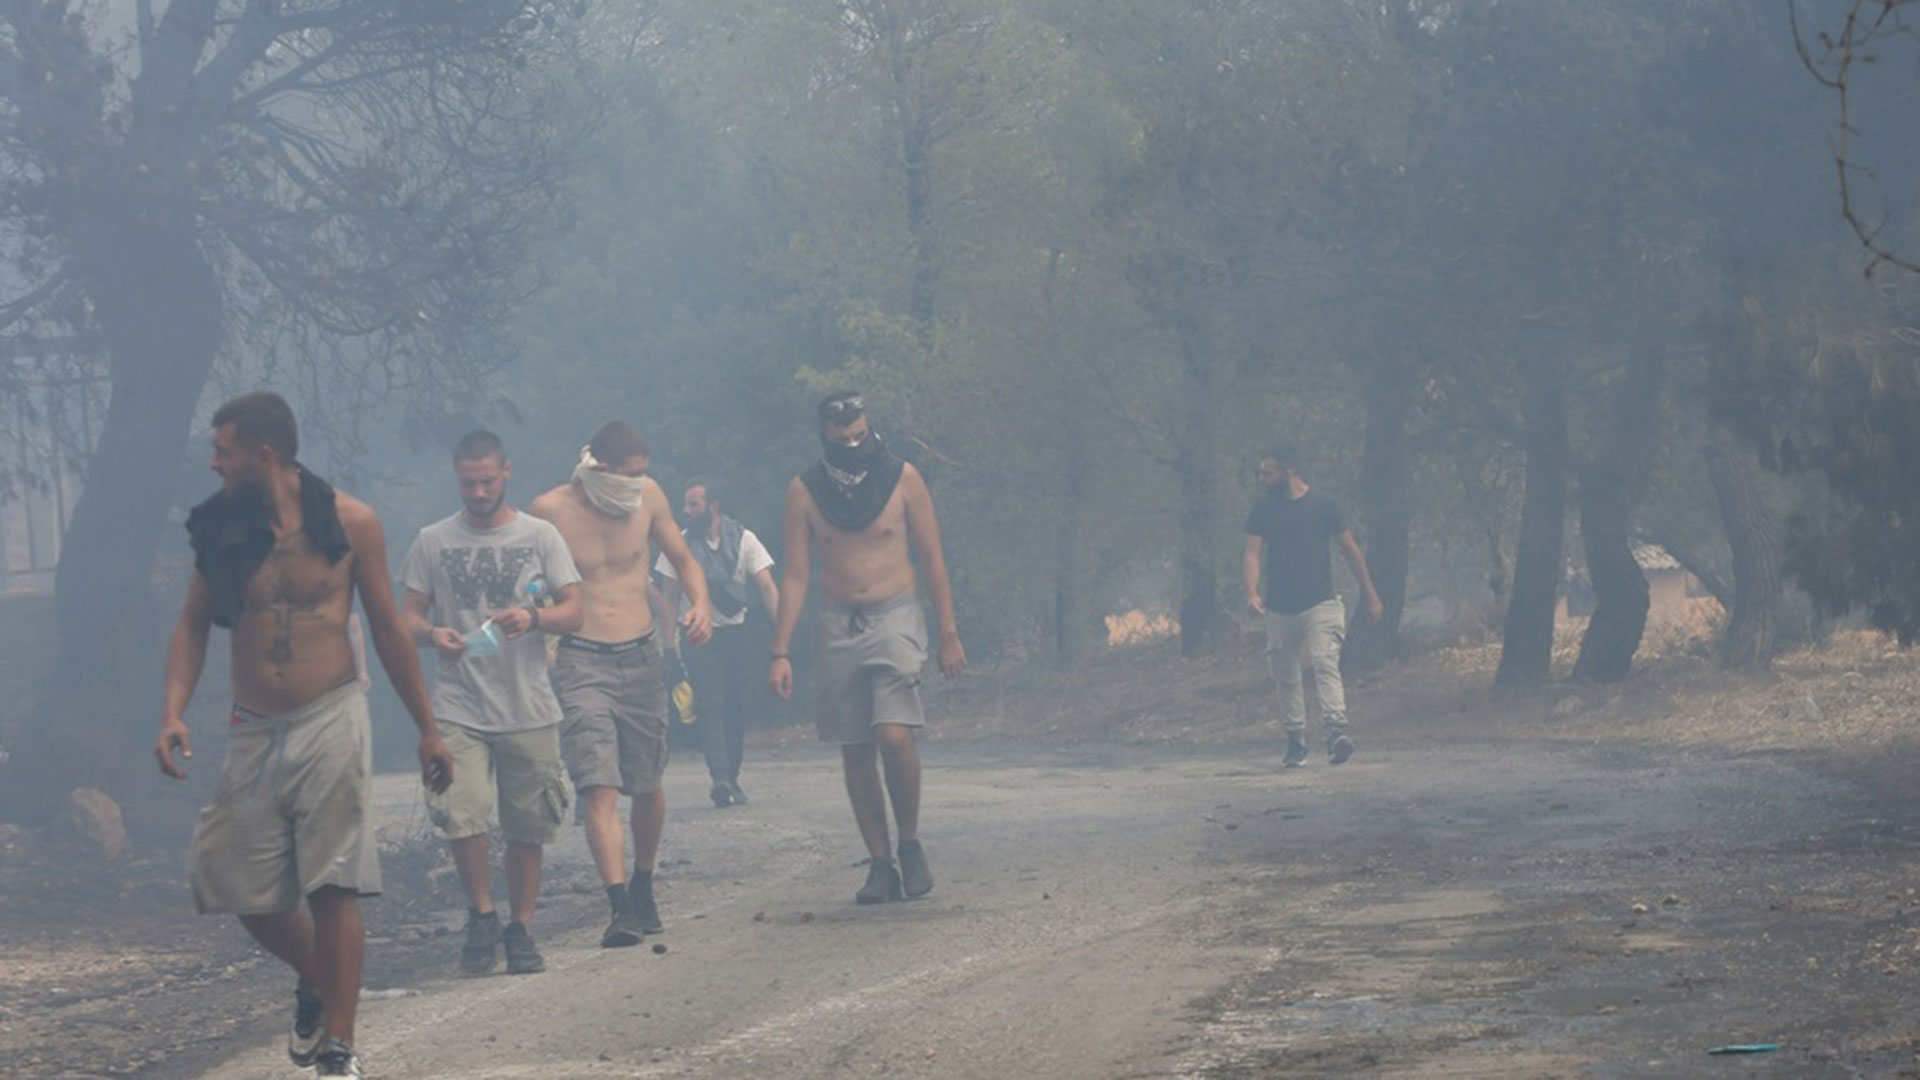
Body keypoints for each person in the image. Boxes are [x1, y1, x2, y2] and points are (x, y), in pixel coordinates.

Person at [155, 391, 454, 1079]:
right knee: (230, 881)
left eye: (223, 450)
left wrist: (427, 730)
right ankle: (322, 978)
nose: (213, 462)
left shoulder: (352, 522)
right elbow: (192, 625)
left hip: (332, 713)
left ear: (262, 455)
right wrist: (172, 711)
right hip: (254, 726)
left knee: (334, 882)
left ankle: (339, 1049)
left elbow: (386, 628)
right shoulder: (222, 527)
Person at [769, 391, 966, 904]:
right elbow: (795, 574)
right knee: (855, 745)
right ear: (825, 437)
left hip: (895, 613)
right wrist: (781, 650)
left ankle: (911, 843)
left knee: (895, 734)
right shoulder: (805, 491)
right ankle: (880, 863)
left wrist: (947, 632)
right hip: (837, 623)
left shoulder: (902, 478)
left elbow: (933, 558)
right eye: (843, 439)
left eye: (859, 434)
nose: (854, 444)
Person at [400, 430, 585, 976]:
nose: (478, 492)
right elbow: (404, 617)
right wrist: (434, 634)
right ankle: (482, 913)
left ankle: (521, 928)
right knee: (461, 814)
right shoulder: (432, 540)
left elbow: (575, 609)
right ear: (456, 478)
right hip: (459, 705)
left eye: (486, 481)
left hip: (528, 703)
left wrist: (534, 618)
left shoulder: (541, 536)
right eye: (467, 482)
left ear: (506, 472)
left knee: (529, 825)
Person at [529, 421, 712, 948]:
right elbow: (534, 582)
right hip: (583, 659)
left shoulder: (649, 497)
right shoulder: (551, 510)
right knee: (598, 785)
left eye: (644, 474)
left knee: (647, 782)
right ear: (601, 468)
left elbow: (682, 560)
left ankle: (644, 881)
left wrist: (697, 605)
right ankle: (618, 907)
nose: (638, 482)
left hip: (641, 654)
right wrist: (534, 621)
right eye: (629, 474)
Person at [1242, 444, 1383, 767]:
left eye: (1267, 472)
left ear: (1287, 471)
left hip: (1321, 602)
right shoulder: (1263, 509)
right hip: (1279, 606)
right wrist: (1252, 591)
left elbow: (1350, 550)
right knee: (1285, 673)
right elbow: (1252, 552)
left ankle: (1335, 732)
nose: (1262, 478)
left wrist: (1371, 593)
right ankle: (1296, 740)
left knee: (1324, 660)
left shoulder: (1323, 505)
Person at [657, 477, 779, 809]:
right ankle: (720, 777)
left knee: (734, 707)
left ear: (713, 506)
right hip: (697, 634)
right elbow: (669, 598)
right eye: (685, 504)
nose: (686, 511)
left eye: (693, 504)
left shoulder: (744, 539)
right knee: (710, 705)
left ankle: (732, 776)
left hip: (735, 634)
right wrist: (668, 647)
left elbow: (766, 586)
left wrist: (783, 634)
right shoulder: (678, 545)